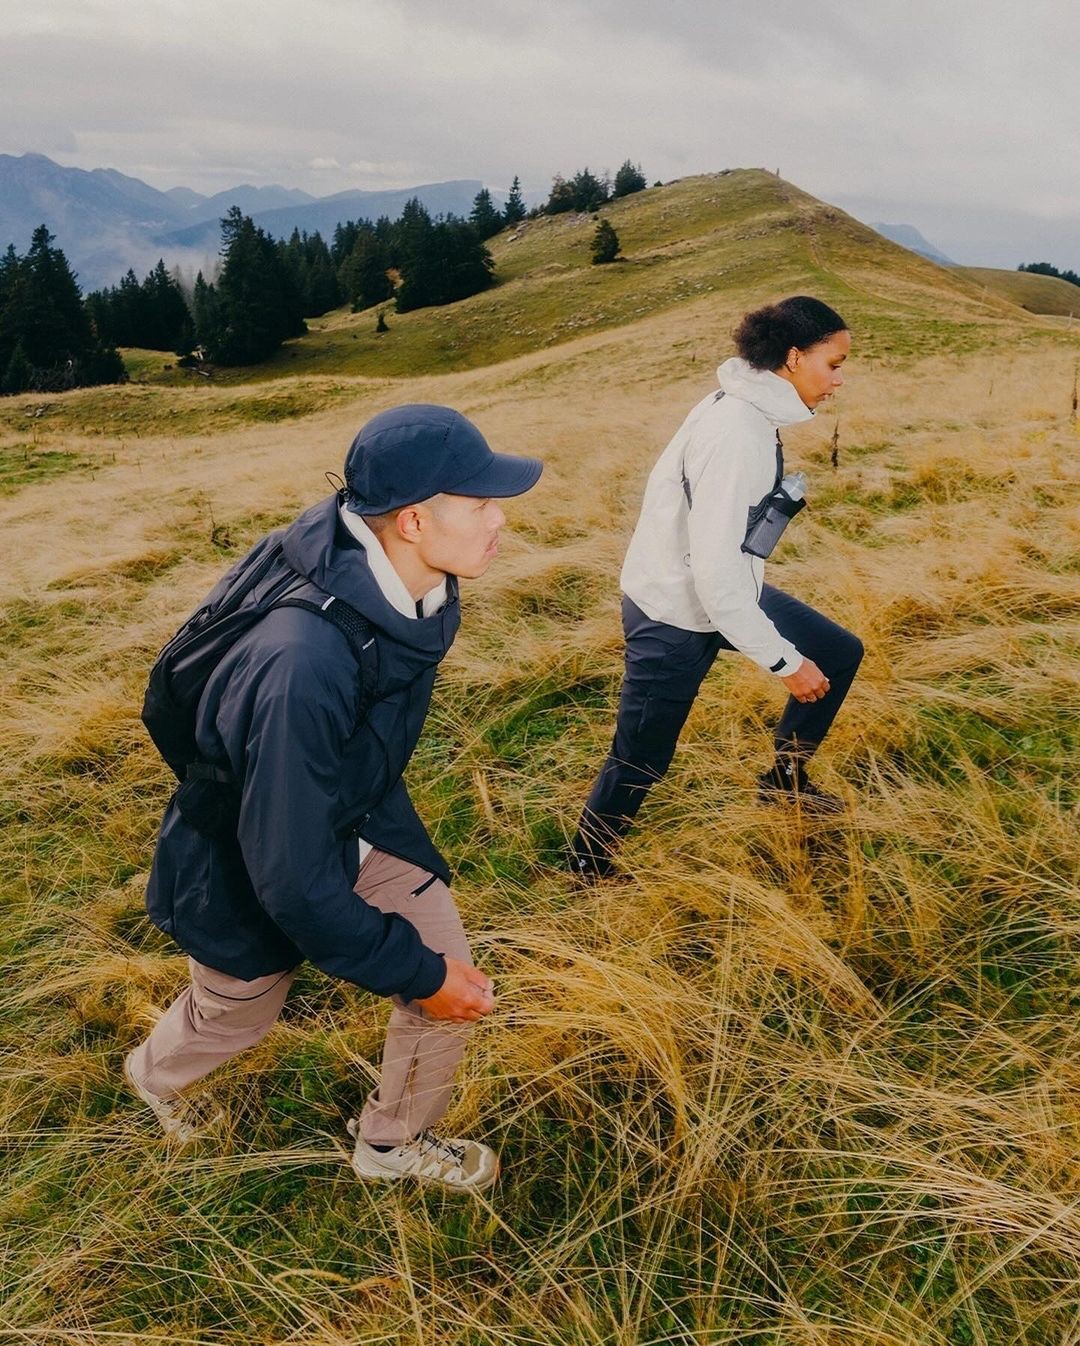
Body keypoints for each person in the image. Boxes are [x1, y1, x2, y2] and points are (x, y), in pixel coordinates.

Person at [125, 404, 542, 1190]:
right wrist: (411, 972)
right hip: (243, 856)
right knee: (236, 1014)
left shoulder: (406, 573)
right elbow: (288, 873)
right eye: (480, 502)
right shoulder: (302, 662)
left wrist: (426, 973)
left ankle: (390, 1145)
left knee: (448, 971)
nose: (500, 520)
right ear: (413, 520)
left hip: (350, 814)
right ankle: (151, 1074)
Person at [570, 296, 863, 879]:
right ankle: (586, 868)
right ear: (793, 356)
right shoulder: (739, 434)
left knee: (837, 651)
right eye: (833, 364)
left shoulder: (748, 409)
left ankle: (785, 784)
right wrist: (784, 662)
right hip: (675, 611)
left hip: (721, 592)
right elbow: (714, 575)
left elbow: (726, 560)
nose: (839, 379)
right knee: (642, 759)